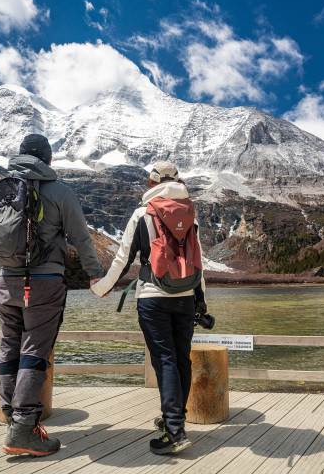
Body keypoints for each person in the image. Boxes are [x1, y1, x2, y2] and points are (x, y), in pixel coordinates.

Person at [0, 134, 104, 456]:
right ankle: (23, 429)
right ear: (48, 161)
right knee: (34, 352)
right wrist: (95, 274)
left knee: (9, 349)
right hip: (45, 283)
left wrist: (9, 260)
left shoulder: (2, 189)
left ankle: (11, 419)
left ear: (19, 157)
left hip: (6, 282)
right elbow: (81, 238)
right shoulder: (60, 192)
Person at [90, 161, 206, 455]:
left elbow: (123, 258)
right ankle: (175, 419)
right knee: (181, 359)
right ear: (178, 182)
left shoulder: (143, 213)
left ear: (150, 184)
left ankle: (174, 428)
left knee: (164, 360)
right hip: (186, 296)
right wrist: (200, 301)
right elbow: (197, 262)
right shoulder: (190, 214)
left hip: (153, 297)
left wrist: (102, 287)